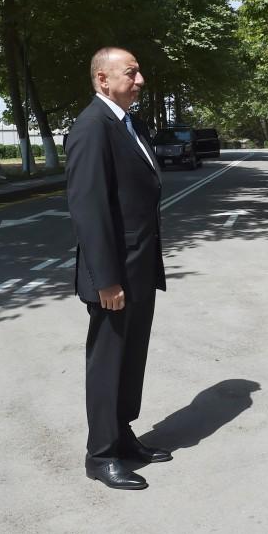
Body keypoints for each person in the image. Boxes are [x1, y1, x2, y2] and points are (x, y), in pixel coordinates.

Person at [66, 47, 170, 491]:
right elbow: (88, 208)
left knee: (132, 357)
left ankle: (123, 434)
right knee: (108, 362)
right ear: (103, 80)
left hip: (139, 265)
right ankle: (101, 454)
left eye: (139, 70)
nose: (140, 78)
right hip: (114, 272)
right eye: (132, 72)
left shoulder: (131, 124)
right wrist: (105, 278)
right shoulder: (92, 128)